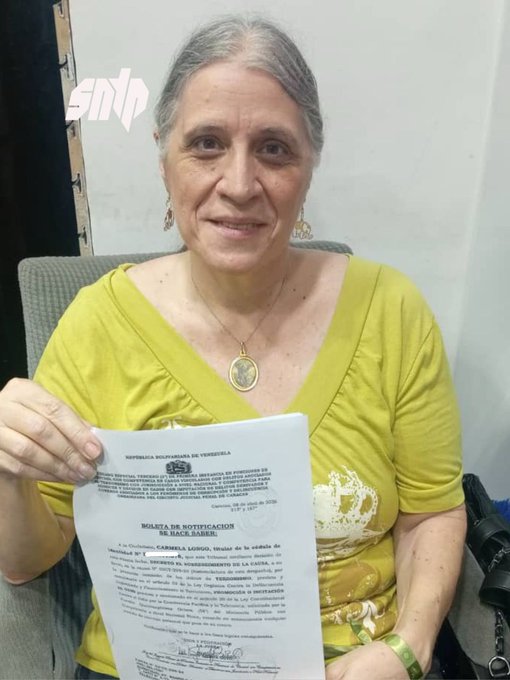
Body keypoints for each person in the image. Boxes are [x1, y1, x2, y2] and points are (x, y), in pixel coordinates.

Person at [0, 15, 466, 680]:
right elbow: (25, 562)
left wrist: (409, 649)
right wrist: (9, 472)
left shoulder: (391, 311)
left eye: (274, 148)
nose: (240, 183)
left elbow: (432, 511)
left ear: (309, 167)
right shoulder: (97, 325)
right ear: (164, 158)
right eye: (206, 144)